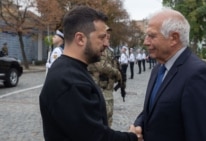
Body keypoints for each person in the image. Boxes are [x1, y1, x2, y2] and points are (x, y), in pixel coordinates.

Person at [39, 6, 142, 141]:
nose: (106, 44)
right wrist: (132, 137)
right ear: (80, 39)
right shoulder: (70, 81)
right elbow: (96, 137)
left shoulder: (71, 69)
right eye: (101, 37)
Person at [131, 8, 206, 141]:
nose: (146, 42)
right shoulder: (158, 68)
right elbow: (153, 109)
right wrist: (139, 125)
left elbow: (204, 134)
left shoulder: (197, 74)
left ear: (173, 38)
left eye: (152, 36)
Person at [87, 26, 122, 127]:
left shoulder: (108, 49)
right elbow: (100, 66)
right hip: (100, 87)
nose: (108, 35)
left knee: (108, 117)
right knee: (103, 118)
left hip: (108, 88)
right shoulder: (96, 49)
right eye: (105, 33)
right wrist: (117, 73)